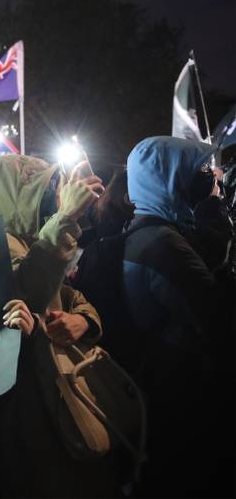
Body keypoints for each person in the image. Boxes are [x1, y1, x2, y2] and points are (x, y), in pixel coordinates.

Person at [0, 153, 114, 497]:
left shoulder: (33, 237)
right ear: (12, 194)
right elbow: (28, 291)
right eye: (43, 187)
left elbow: (70, 296)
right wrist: (66, 218)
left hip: (50, 384)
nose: (53, 194)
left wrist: (83, 320)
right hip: (21, 398)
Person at [117, 136, 232, 497]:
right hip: (183, 391)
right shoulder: (162, 244)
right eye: (196, 170)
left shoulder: (145, 230)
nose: (208, 178)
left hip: (165, 383)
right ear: (167, 177)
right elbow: (218, 316)